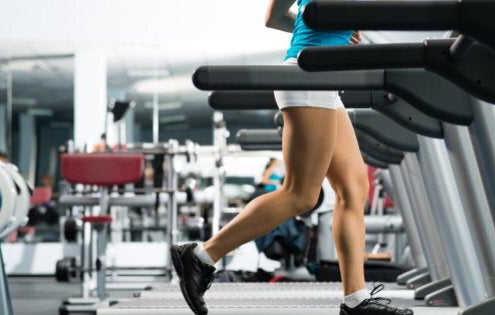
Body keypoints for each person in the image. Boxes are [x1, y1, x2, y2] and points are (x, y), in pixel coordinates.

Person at [170, 1, 414, 314]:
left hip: (324, 80)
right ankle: (202, 255)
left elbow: (275, 18)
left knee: (353, 190)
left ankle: (356, 300)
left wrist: (330, 26)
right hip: (309, 77)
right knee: (300, 194)